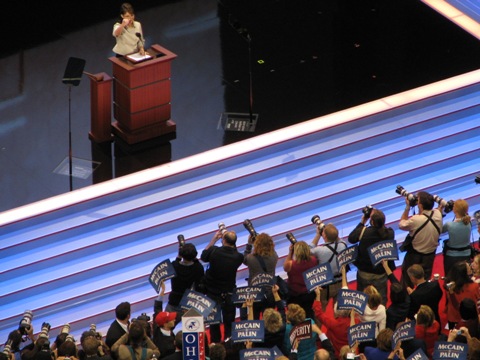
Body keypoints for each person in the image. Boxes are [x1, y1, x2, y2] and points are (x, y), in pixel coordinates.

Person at [200, 228, 244, 343]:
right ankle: (229, 343)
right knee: (229, 321)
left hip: (212, 292)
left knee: (214, 322)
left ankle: (216, 344)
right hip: (229, 293)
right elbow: (235, 252)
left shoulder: (214, 251)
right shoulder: (238, 257)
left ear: (223, 239)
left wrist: (213, 240)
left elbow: (203, 256)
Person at [348, 209, 395, 305]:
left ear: (372, 221)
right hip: (381, 272)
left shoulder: (364, 232)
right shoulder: (390, 233)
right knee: (381, 299)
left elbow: (351, 238)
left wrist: (362, 222)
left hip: (365, 272)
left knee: (362, 298)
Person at [399, 191, 443, 288]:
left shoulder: (415, 220)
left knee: (407, 281)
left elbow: (401, 224)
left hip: (414, 256)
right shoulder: (438, 214)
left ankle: (406, 299)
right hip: (430, 256)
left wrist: (407, 207)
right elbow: (440, 208)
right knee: (424, 281)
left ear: (420, 205)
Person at [310, 223, 347, 310]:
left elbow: (307, 250)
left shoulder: (319, 250)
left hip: (325, 286)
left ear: (324, 235)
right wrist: (332, 232)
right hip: (340, 282)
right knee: (340, 311)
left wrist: (318, 235)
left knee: (320, 310)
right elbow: (339, 240)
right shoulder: (343, 246)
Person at [166, 242, 205, 325]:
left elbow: (176, 261)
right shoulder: (198, 268)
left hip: (174, 300)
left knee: (166, 324)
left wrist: (179, 256)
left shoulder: (174, 265)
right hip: (189, 302)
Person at [243, 232, 278, 318]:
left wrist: (249, 244)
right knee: (269, 318)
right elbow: (271, 251)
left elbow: (244, 259)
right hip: (270, 292)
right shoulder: (274, 256)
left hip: (255, 293)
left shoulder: (251, 258)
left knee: (255, 318)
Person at [283, 241, 318, 320]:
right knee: (309, 313)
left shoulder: (291, 264)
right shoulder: (314, 260)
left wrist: (290, 252)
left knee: (294, 316)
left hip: (295, 295)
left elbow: (285, 267)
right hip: (309, 293)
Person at [444, 260, 479, 330]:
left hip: (453, 316)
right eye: (468, 266)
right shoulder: (474, 286)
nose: (470, 265)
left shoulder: (449, 285)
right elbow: (476, 300)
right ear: (464, 273)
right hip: (469, 317)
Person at [441, 199, 472, 277]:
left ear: (454, 210)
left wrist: (442, 213)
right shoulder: (469, 222)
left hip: (452, 257)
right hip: (466, 255)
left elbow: (439, 230)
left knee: (450, 279)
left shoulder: (449, 225)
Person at [381, 260, 409, 331]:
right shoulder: (408, 299)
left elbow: (390, 328)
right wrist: (385, 266)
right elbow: (393, 278)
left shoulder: (390, 312)